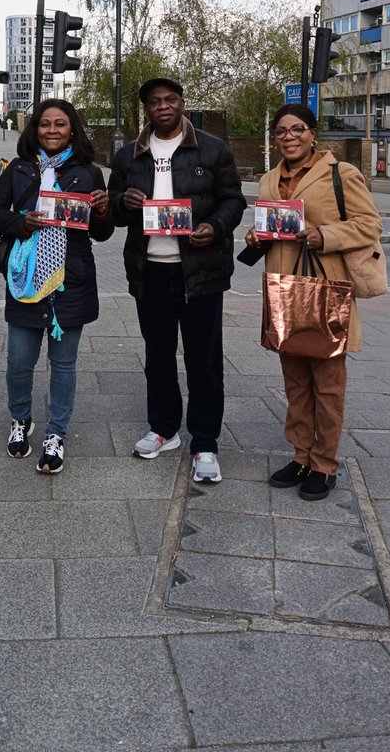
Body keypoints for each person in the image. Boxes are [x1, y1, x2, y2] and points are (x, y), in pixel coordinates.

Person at [109, 77, 247, 484]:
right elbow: (114, 215)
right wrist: (123, 202)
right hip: (150, 270)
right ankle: (164, 429)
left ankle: (205, 442)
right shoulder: (127, 156)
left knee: (203, 361)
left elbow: (234, 200)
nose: (164, 106)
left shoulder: (212, 148)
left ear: (182, 103)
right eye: (155, 102)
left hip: (200, 271)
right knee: (158, 356)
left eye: (170, 99)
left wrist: (215, 227)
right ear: (146, 110)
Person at [245, 103, 382, 501]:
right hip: (285, 290)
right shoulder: (270, 179)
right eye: (281, 131)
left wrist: (326, 235)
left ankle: (325, 463)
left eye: (297, 129)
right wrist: (258, 237)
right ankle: (301, 455)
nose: (289, 137)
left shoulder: (341, 174)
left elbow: (371, 223)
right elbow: (272, 224)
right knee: (295, 382)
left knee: (328, 384)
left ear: (312, 134)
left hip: (326, 290)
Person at [0, 98, 114, 474]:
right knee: (19, 361)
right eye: (45, 124)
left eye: (61, 124)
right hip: (26, 278)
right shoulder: (20, 169)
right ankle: (20, 421)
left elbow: (101, 233)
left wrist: (103, 210)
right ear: (34, 129)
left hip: (71, 280)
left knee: (64, 364)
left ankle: (56, 433)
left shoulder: (89, 172)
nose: (52, 130)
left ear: (73, 129)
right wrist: (21, 222)